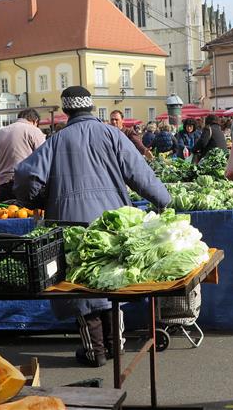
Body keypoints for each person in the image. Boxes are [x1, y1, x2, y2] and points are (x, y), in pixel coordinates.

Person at [14, 86, 170, 368]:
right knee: (111, 281)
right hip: (113, 221)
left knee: (80, 285)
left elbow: (27, 176)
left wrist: (36, 198)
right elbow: (140, 173)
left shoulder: (57, 140)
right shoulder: (113, 134)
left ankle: (95, 350)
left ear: (66, 110)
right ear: (90, 107)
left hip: (69, 221)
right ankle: (115, 345)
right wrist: (163, 200)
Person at [0, 108, 45, 202]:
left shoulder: (0, 133)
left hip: (4, 187)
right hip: (27, 185)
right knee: (27, 215)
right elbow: (44, 160)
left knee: (6, 214)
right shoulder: (34, 131)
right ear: (35, 121)